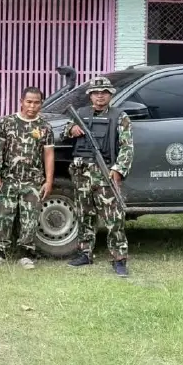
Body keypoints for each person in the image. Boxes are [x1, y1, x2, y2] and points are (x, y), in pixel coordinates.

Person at [66, 76, 134, 277]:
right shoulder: (80, 114)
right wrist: (71, 129)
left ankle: (119, 259)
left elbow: (127, 147)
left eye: (104, 92)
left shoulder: (120, 117)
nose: (100, 96)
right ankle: (85, 253)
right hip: (81, 172)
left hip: (105, 171)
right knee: (84, 214)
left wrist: (119, 169)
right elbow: (64, 132)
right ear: (90, 96)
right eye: (96, 93)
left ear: (110, 94)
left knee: (114, 217)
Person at [0, 87, 54, 269]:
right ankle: (0, 253)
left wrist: (48, 180)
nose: (32, 106)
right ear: (21, 101)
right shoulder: (6, 123)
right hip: (8, 179)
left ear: (41, 104)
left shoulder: (45, 127)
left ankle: (26, 254)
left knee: (30, 218)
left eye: (36, 102)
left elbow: (48, 154)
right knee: (2, 216)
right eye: (29, 102)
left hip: (33, 180)